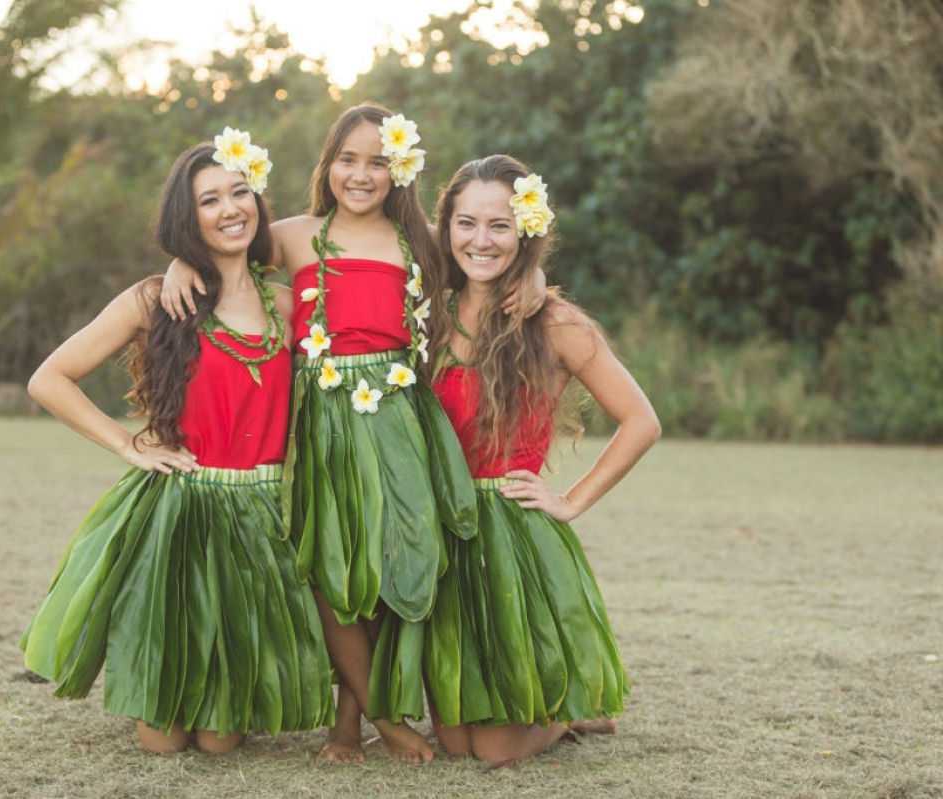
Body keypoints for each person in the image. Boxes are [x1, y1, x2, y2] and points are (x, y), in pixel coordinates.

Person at [161, 103, 540, 763]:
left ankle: (354, 719)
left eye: (378, 161)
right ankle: (371, 720)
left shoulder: (419, 236)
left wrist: (531, 272)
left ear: (402, 169)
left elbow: (485, 261)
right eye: (347, 158)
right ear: (327, 164)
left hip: (397, 418)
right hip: (320, 420)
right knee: (333, 572)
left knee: (391, 564)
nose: (361, 174)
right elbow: (222, 248)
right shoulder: (293, 234)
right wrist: (173, 265)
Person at [18, 135, 334, 754]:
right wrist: (128, 444)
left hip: (258, 516)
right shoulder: (156, 298)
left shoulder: (291, 304)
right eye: (208, 201)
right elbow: (48, 379)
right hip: (179, 511)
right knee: (161, 742)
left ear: (257, 201)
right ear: (186, 219)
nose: (229, 209)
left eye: (239, 192)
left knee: (220, 743)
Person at [422, 154, 662, 765]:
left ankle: (569, 717)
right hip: (441, 527)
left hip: (511, 533)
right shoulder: (424, 313)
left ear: (526, 230)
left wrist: (570, 500)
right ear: (445, 227)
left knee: (496, 751)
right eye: (466, 223)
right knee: (454, 742)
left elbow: (642, 422)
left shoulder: (555, 322)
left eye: (500, 226)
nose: (481, 240)